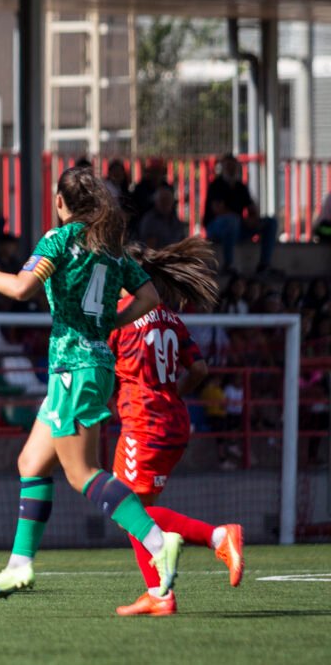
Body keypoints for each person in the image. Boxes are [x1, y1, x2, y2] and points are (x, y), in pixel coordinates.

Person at [0, 165, 182, 601]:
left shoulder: (57, 240)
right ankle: (19, 566)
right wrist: (110, 322)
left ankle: (158, 541)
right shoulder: (111, 248)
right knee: (31, 463)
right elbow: (152, 296)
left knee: (82, 473)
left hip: (73, 368)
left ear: (61, 203)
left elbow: (21, 289)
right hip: (93, 364)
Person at [108, 238, 244, 616]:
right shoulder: (170, 317)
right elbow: (199, 370)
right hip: (173, 422)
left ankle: (218, 536)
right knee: (137, 513)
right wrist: (171, 393)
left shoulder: (119, 315)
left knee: (126, 509)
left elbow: (101, 368)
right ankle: (159, 594)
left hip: (143, 422)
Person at [203, 154, 277, 273]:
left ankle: (264, 264)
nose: (231, 169)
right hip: (216, 228)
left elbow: (251, 207)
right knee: (232, 220)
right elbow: (217, 210)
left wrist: (253, 219)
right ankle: (229, 264)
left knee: (271, 222)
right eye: (228, 166)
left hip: (237, 228)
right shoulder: (216, 185)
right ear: (222, 167)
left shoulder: (240, 187)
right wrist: (241, 220)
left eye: (233, 166)